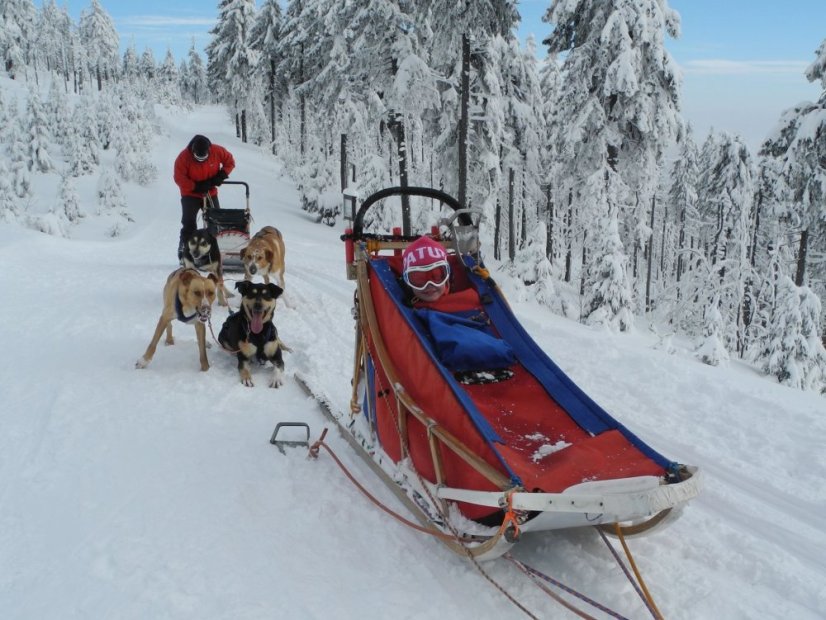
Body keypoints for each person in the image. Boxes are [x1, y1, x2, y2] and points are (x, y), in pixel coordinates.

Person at [173, 134, 235, 262]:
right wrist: (195, 186)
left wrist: (221, 175)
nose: (201, 160)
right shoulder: (183, 157)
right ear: (193, 152)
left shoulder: (217, 151)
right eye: (198, 158)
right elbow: (179, 177)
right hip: (190, 194)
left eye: (204, 157)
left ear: (208, 151)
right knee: (188, 222)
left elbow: (230, 162)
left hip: (210, 192)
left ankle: (211, 250)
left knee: (215, 221)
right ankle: (185, 248)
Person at [401, 236, 452, 303]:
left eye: (436, 276)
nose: (429, 285)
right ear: (408, 283)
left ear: (447, 277)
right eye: (419, 279)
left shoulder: (463, 304)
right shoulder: (399, 309)